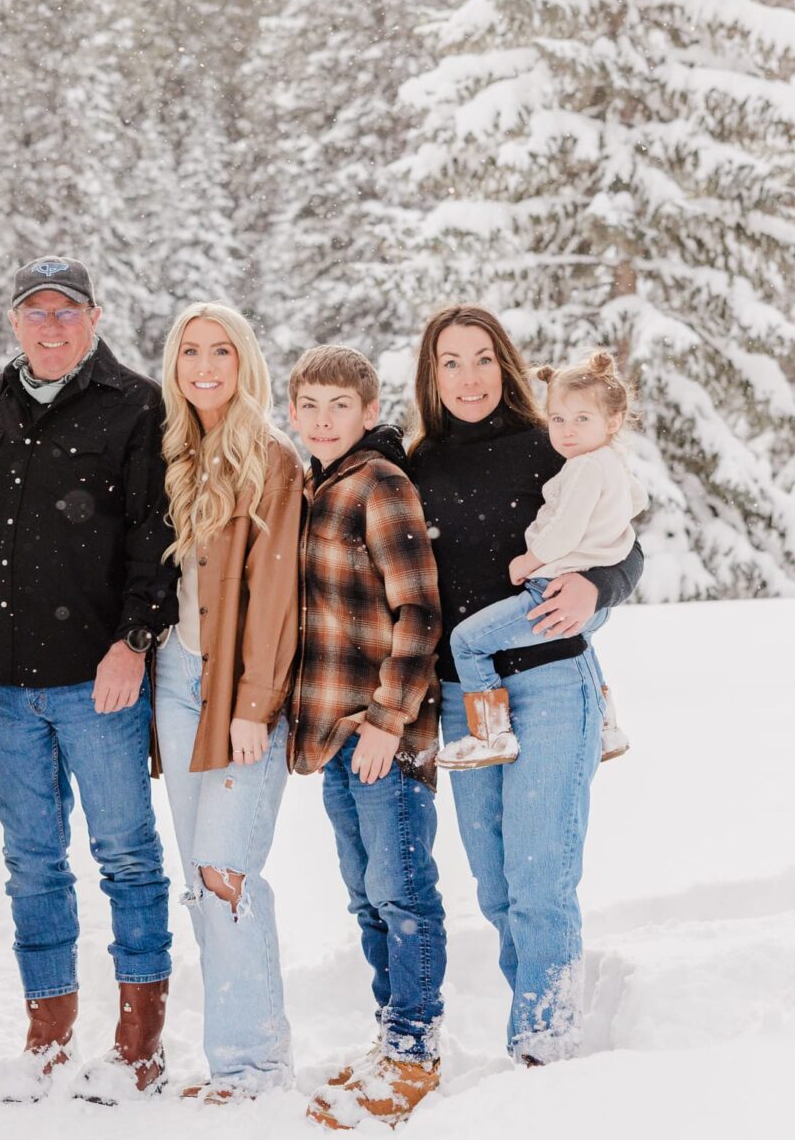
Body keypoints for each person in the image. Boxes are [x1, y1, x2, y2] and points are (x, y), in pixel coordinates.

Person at [402, 305, 644, 1066]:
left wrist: (601, 587)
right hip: (467, 705)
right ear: (431, 375)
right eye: (451, 362)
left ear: (503, 363)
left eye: (481, 359)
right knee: (498, 888)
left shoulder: (551, 446)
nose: (468, 377)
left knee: (541, 882)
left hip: (546, 685)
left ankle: (543, 1046)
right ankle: (536, 1024)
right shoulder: (418, 466)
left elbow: (625, 538)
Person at [0, 257, 177, 1105]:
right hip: (9, 682)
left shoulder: (133, 404)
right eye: (35, 312)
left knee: (126, 855)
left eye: (67, 312)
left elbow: (155, 531)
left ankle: (140, 1043)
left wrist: (134, 640)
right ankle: (48, 1036)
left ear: (94, 318)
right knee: (31, 864)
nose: (51, 327)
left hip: (101, 680)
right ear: (14, 322)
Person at [282, 346, 448, 1130]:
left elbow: (418, 612)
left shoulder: (379, 485)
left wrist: (388, 718)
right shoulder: (317, 487)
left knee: (404, 892)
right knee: (367, 898)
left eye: (337, 406)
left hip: (385, 731)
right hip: (338, 734)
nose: (322, 419)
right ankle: (392, 1037)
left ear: (368, 411)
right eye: (308, 405)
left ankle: (416, 1052)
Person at [150, 303, 305, 1104]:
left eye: (220, 351)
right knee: (196, 874)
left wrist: (256, 702)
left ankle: (255, 1065)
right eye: (189, 352)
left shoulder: (272, 459)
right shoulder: (175, 452)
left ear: (244, 362)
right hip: (177, 682)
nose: (204, 366)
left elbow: (275, 592)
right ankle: (233, 1061)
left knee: (225, 868)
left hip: (243, 692)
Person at [439, 350, 644, 770]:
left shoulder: (584, 466)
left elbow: (566, 529)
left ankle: (491, 733)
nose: (567, 431)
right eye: (558, 419)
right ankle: (605, 722)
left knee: (467, 641)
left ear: (614, 421)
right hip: (572, 590)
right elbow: (634, 502)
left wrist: (530, 560)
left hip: (548, 588)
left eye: (581, 419)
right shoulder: (607, 463)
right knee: (579, 639)